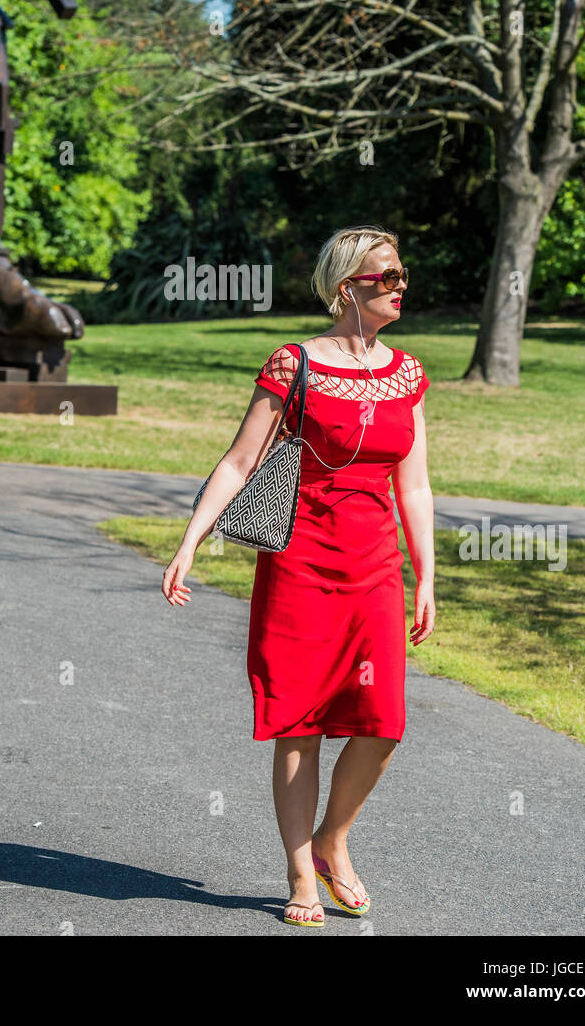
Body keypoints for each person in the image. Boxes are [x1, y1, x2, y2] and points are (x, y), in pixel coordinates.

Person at [162, 225, 436, 927]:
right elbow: (238, 462)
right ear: (348, 288)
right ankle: (300, 873)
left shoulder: (406, 372)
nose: (401, 286)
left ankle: (331, 842)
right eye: (387, 278)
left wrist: (426, 576)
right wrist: (192, 540)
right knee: (299, 721)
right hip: (301, 563)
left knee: (384, 723)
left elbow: (416, 486)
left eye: (402, 275)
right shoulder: (294, 365)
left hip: (375, 566)